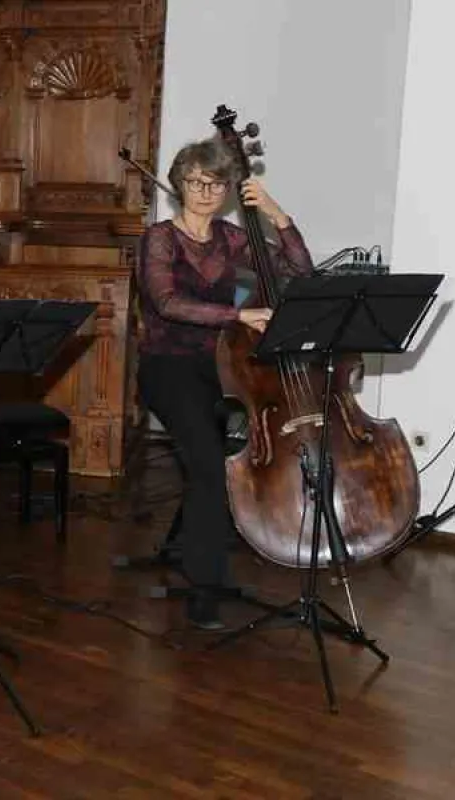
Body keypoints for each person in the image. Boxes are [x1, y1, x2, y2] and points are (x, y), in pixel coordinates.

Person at [136, 136, 313, 629]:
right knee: (211, 468)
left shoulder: (236, 242)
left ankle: (197, 550)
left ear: (230, 189)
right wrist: (240, 312)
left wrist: (278, 215)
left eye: (216, 183)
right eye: (196, 181)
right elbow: (167, 304)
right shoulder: (160, 239)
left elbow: (302, 272)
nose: (205, 191)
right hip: (168, 366)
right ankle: (203, 589)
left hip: (224, 369)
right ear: (179, 183)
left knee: (217, 467)